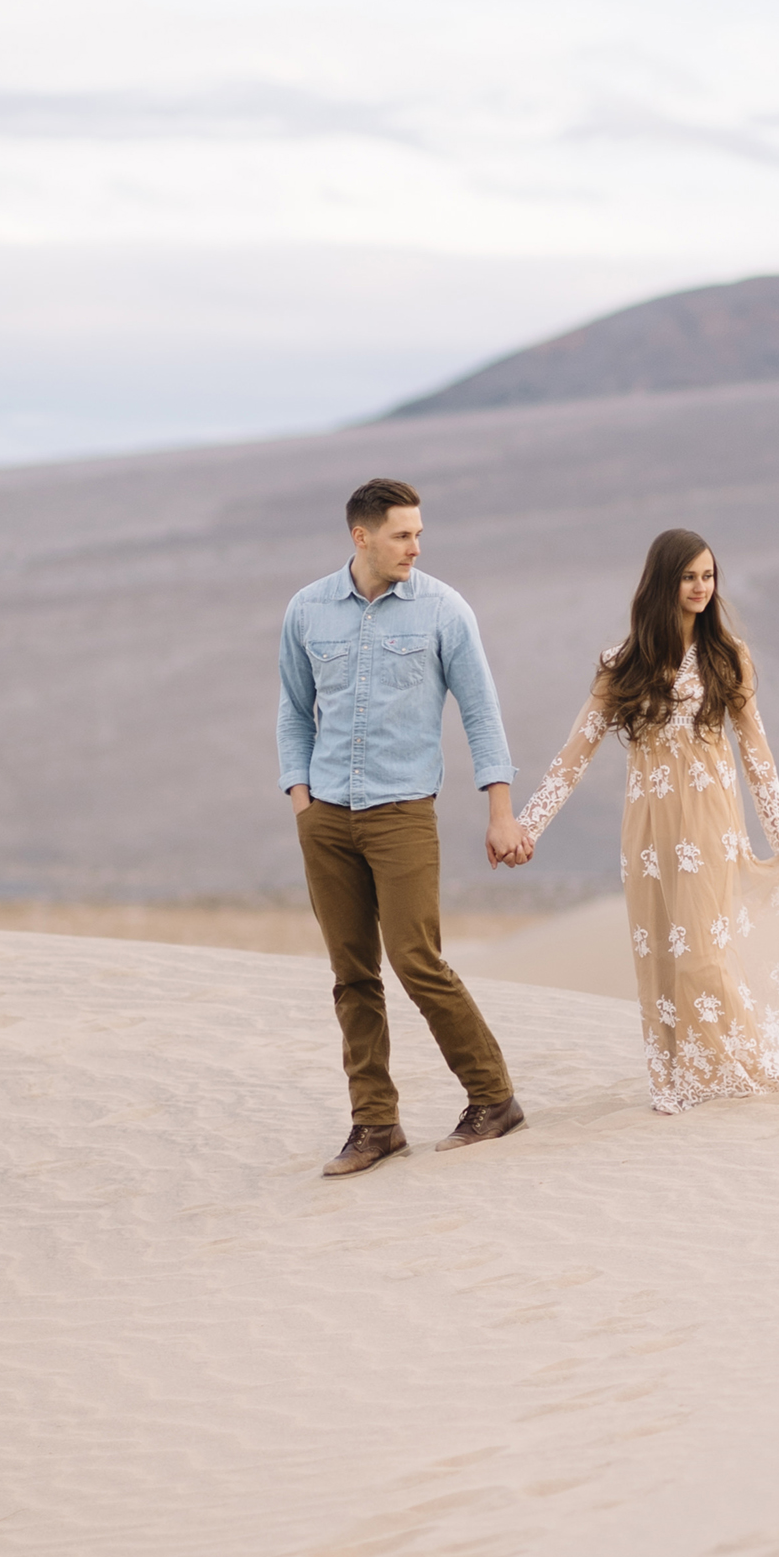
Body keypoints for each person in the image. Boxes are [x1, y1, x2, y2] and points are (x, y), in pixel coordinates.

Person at [499, 528, 779, 1115]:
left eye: (708, 576)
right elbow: (574, 753)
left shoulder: (726, 656)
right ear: (664, 582)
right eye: (689, 577)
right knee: (659, 949)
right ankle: (678, 1072)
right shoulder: (623, 662)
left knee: (703, 951)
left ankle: (726, 1067)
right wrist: (526, 825)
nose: (701, 588)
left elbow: (757, 755)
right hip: (647, 830)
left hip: (711, 823)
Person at [280, 477, 528, 1178]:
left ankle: (493, 1097)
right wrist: (301, 798)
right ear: (362, 537)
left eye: (418, 532)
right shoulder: (307, 610)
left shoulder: (443, 610)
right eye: (402, 534)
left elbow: (482, 712)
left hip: (401, 815)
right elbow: (294, 710)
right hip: (326, 816)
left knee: (417, 959)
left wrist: (499, 809)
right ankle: (375, 1123)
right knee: (351, 974)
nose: (416, 546)